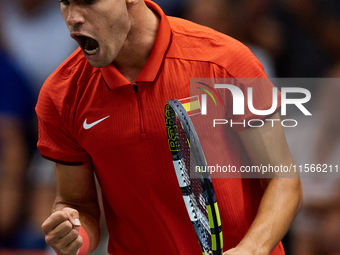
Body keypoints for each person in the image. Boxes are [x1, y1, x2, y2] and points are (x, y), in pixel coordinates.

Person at [36, 1, 302, 254]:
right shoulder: (61, 95)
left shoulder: (226, 62)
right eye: (66, 2)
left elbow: (283, 180)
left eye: (89, 1)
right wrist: (74, 236)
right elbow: (78, 205)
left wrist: (251, 249)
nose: (72, 17)